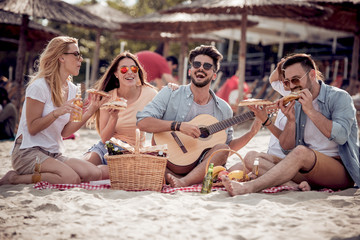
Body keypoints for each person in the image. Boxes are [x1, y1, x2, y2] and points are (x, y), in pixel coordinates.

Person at [222, 53, 360, 196]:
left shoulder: (339, 97)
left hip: (337, 170)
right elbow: (287, 148)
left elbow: (342, 136)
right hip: (304, 168)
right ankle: (294, 186)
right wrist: (291, 121)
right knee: (251, 157)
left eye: (295, 80)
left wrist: (311, 111)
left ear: (312, 75)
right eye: (287, 82)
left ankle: (248, 188)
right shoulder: (296, 101)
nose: (292, 86)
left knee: (301, 152)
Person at [137, 45, 262, 188]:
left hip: (200, 165)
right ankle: (180, 178)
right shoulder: (170, 93)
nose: (201, 68)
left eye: (207, 66)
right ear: (190, 70)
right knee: (144, 162)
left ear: (214, 75)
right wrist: (178, 126)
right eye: (197, 64)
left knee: (221, 149)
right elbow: (142, 122)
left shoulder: (223, 109)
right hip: (168, 161)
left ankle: (183, 181)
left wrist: (252, 133)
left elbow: (226, 148)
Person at [0, 36, 109, 185]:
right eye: (76, 54)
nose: (80, 59)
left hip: (53, 153)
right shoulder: (39, 86)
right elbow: (32, 128)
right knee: (70, 178)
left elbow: (65, 132)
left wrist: (90, 110)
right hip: (28, 152)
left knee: (93, 173)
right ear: (61, 58)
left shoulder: (72, 89)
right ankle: (14, 179)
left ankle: (52, 173)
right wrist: (56, 112)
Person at [84, 51, 157, 179]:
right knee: (81, 169)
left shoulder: (150, 94)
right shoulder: (108, 97)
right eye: (123, 69)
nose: (129, 72)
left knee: (96, 173)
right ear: (116, 74)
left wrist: (172, 88)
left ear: (138, 72)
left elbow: (165, 118)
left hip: (129, 153)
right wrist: (114, 117)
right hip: (105, 147)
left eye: (133, 68)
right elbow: (105, 139)